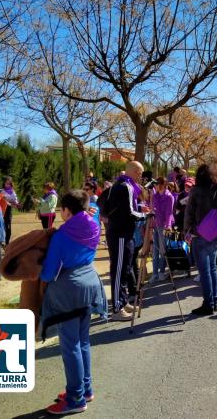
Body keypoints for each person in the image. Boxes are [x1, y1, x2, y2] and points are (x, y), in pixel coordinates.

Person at [40, 190, 106, 415]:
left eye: (62, 210)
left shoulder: (61, 235)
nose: (60, 214)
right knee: (83, 341)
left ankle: (76, 398)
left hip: (68, 291)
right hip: (91, 284)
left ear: (67, 210)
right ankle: (85, 389)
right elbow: (94, 212)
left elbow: (49, 273)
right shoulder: (94, 224)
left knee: (70, 346)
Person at [184, 164, 217, 315]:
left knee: (205, 270)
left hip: (199, 234)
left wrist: (186, 232)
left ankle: (208, 304)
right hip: (215, 234)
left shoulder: (196, 191)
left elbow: (189, 213)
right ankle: (214, 301)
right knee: (213, 268)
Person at [102, 161, 150, 321]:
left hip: (123, 233)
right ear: (135, 172)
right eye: (140, 173)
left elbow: (127, 210)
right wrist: (144, 215)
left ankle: (122, 301)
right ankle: (117, 308)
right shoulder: (125, 187)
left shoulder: (123, 185)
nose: (141, 177)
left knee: (125, 269)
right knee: (119, 270)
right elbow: (128, 213)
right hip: (120, 234)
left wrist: (139, 209)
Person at [150, 177, 174, 283]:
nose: (155, 186)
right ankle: (155, 273)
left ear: (162, 185)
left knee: (162, 250)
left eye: (157, 184)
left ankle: (161, 272)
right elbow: (152, 208)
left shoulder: (169, 197)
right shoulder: (155, 195)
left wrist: (168, 226)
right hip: (155, 224)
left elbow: (169, 213)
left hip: (163, 225)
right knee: (155, 250)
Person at [1, 177, 20, 246]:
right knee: (2, 226)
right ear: (4, 183)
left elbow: (15, 200)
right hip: (2, 210)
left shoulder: (13, 191)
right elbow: (1, 199)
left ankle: (7, 242)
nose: (8, 185)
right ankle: (1, 241)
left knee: (8, 226)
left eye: (9, 184)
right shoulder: (2, 191)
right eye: (7, 183)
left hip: (8, 210)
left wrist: (17, 204)